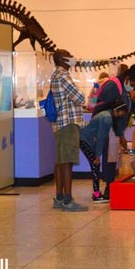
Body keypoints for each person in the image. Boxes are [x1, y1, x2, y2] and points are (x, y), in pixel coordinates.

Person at [91, 64, 135, 200]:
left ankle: (110, 185)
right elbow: (111, 111)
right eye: (133, 84)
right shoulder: (113, 87)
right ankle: (106, 189)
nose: (133, 87)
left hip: (113, 129)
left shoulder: (123, 88)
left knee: (112, 157)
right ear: (127, 78)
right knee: (108, 157)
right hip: (107, 127)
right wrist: (120, 134)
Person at [50, 49, 88, 212]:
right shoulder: (64, 76)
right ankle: (68, 200)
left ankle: (59, 197)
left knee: (60, 161)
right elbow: (80, 97)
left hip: (59, 124)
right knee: (67, 162)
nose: (73, 58)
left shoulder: (55, 75)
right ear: (62, 59)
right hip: (68, 124)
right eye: (69, 56)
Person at [79, 98, 129, 203]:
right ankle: (96, 195)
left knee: (95, 166)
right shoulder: (107, 118)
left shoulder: (106, 115)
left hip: (85, 140)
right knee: (95, 165)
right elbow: (101, 136)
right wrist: (97, 155)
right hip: (85, 140)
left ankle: (96, 193)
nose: (121, 116)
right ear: (117, 110)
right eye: (122, 113)